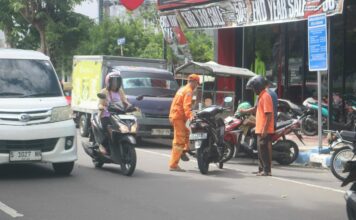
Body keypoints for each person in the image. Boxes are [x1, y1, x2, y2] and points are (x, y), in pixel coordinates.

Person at [241, 75, 275, 176]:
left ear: (258, 87)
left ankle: (267, 170)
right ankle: (261, 169)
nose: (253, 90)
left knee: (264, 150)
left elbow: (269, 114)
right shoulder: (260, 96)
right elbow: (255, 109)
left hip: (265, 128)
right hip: (260, 127)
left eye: (253, 88)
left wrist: (264, 129)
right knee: (260, 150)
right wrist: (244, 111)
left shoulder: (266, 96)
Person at [169, 74, 200, 172]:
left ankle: (184, 150)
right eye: (197, 84)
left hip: (176, 116)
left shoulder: (182, 89)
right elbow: (186, 106)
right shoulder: (189, 91)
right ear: (194, 82)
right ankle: (173, 165)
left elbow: (175, 103)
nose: (197, 86)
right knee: (179, 141)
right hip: (179, 117)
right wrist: (191, 117)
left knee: (187, 132)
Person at [98, 71, 131, 155]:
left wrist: (130, 106)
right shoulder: (104, 91)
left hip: (118, 115)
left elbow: (125, 101)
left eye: (117, 81)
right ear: (108, 82)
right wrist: (101, 107)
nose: (115, 84)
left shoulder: (120, 91)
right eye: (113, 82)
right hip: (106, 115)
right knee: (110, 130)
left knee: (125, 128)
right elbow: (100, 103)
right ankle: (102, 145)